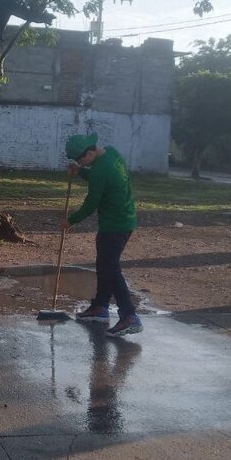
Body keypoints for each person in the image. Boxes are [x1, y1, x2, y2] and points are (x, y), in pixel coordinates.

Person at [63, 132, 142, 336]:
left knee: (110, 268)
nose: (81, 163)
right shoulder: (112, 154)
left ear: (89, 153)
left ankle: (129, 316)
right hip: (125, 219)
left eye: (81, 160)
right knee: (104, 264)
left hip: (115, 225)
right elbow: (101, 176)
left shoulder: (99, 170)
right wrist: (81, 171)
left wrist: (71, 220)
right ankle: (100, 307)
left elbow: (91, 203)